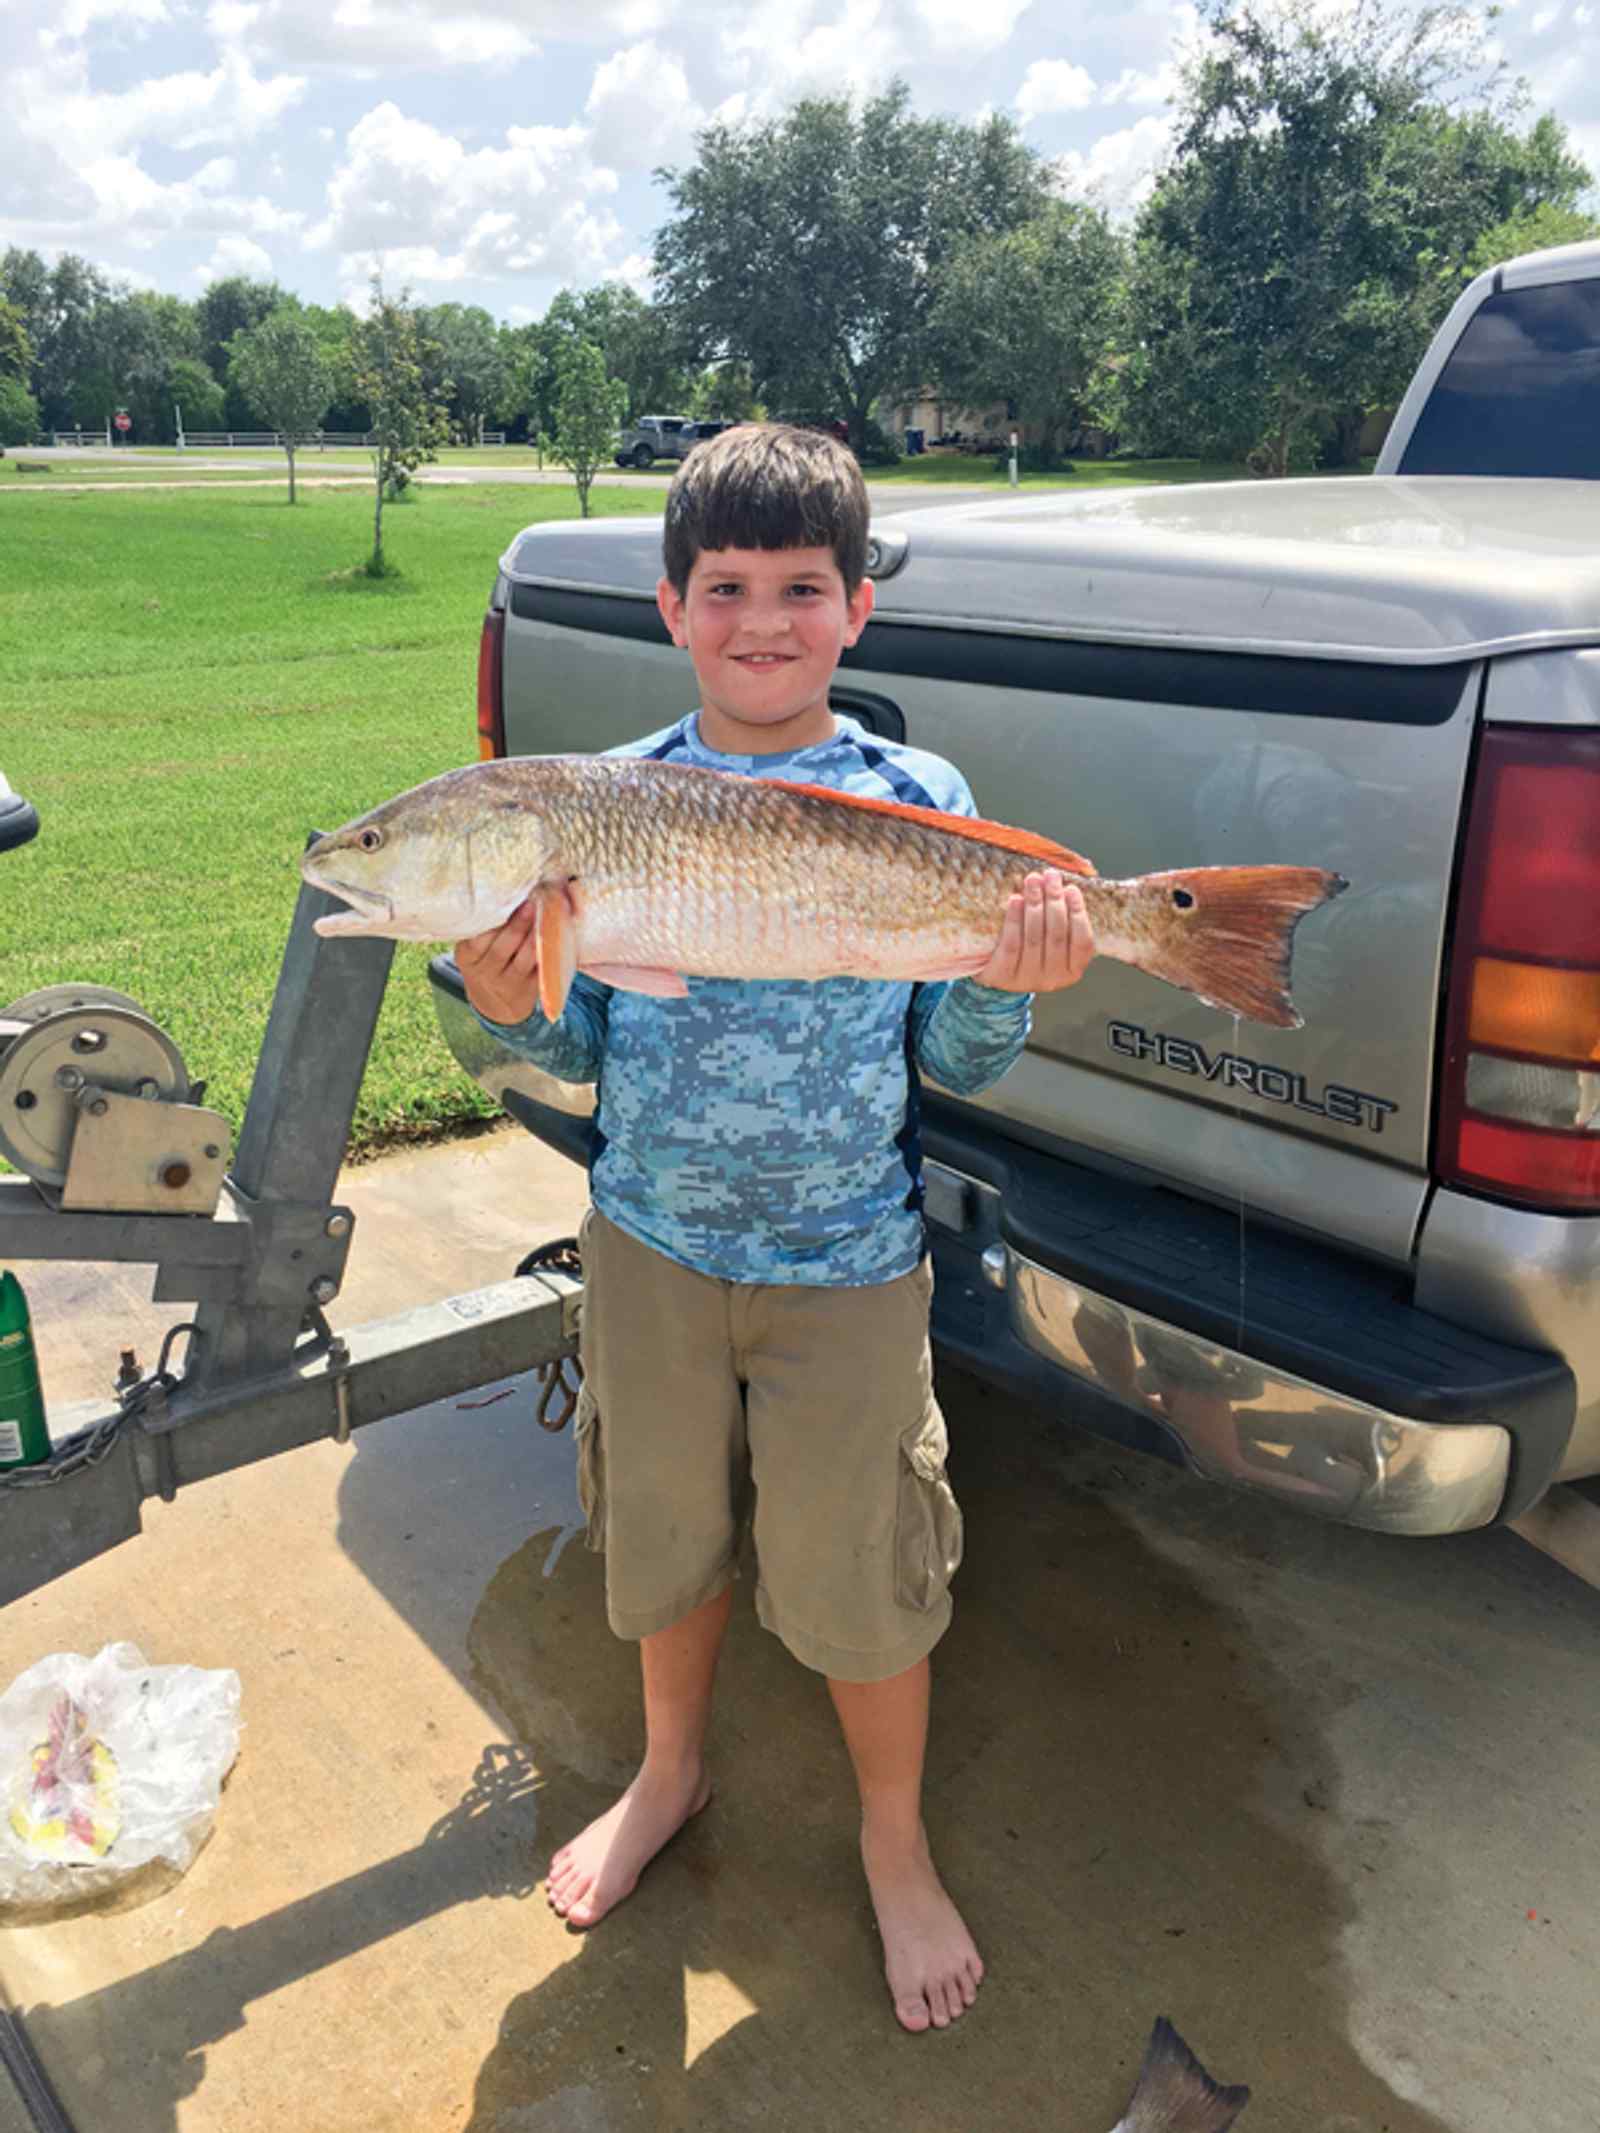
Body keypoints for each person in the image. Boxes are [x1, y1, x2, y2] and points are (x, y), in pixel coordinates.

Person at [455, 423, 1094, 2034]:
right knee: (663, 1536)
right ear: (672, 607)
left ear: (857, 606)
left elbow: (951, 1056)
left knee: (865, 1570)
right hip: (651, 1247)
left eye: (801, 586)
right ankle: (669, 1769)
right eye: (725, 586)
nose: (762, 620)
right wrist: (506, 995)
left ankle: (894, 1839)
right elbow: (580, 1043)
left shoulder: (917, 800)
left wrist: (1008, 988)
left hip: (847, 1265)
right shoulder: (602, 803)